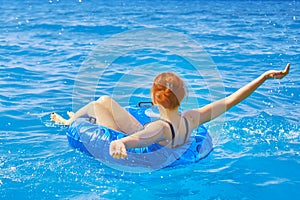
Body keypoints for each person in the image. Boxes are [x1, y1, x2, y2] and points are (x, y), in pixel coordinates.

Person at [51, 63, 290, 160]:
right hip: (162, 136)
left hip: (151, 142)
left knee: (98, 104)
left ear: (155, 99)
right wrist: (263, 78)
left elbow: (133, 140)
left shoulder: (159, 128)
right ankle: (72, 118)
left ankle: (70, 120)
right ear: (182, 96)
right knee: (106, 100)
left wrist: (118, 145)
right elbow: (229, 101)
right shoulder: (192, 118)